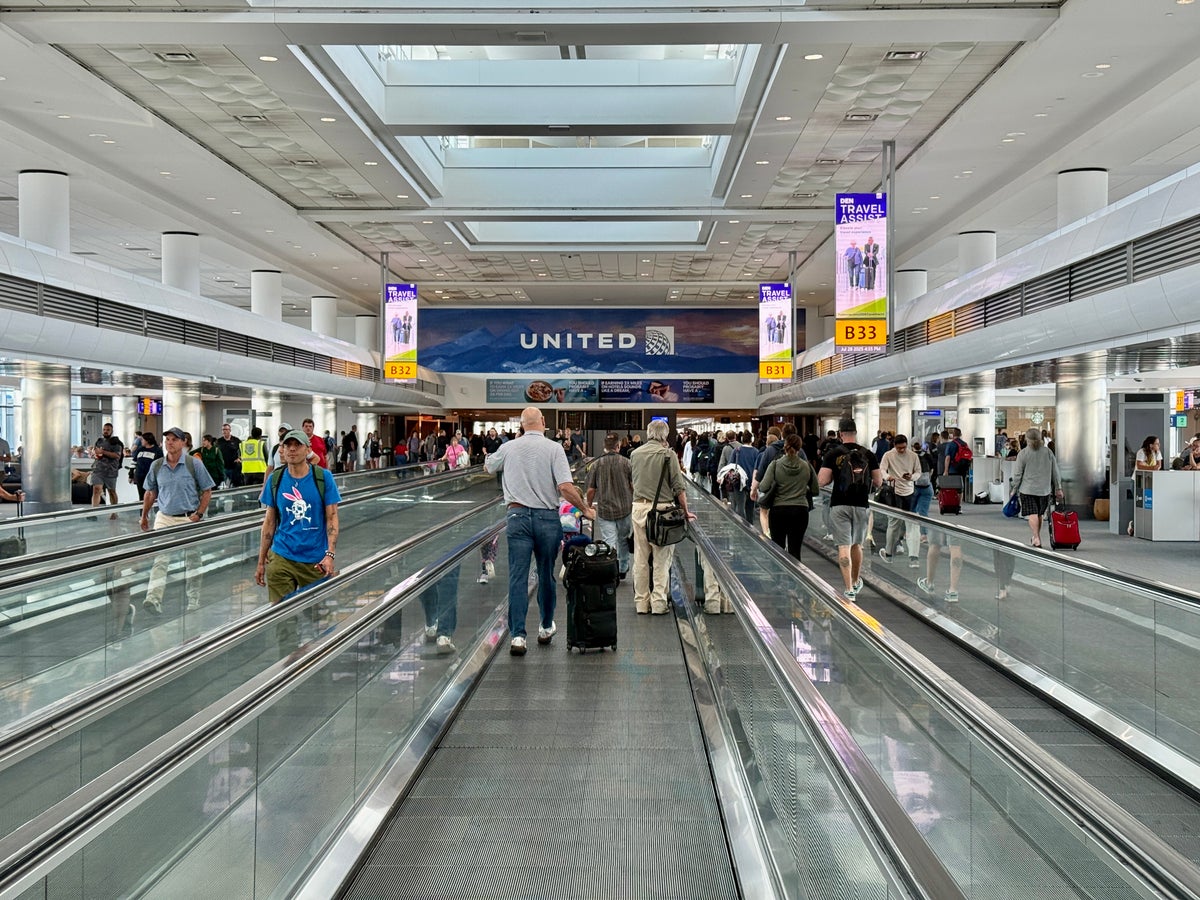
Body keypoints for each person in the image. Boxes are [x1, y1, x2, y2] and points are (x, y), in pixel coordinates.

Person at [485, 407, 593, 655]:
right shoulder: (554, 449)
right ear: (543, 422)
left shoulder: (509, 447)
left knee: (518, 577)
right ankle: (545, 626)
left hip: (517, 516)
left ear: (522, 425)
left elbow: (488, 467)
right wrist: (585, 510)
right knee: (546, 574)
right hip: (547, 519)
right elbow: (565, 487)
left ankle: (518, 637)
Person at [254, 429, 342, 648]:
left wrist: (329, 554)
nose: (292, 449)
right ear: (282, 450)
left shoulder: (323, 477)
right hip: (282, 555)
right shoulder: (276, 479)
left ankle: (318, 659)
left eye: (297, 445)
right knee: (283, 618)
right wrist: (261, 560)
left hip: (314, 560)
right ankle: (288, 665)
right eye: (287, 445)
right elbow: (269, 522)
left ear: (308, 450)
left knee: (318, 618)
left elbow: (332, 518)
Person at [139, 427, 215, 614]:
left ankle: (193, 599)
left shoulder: (193, 464)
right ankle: (153, 599)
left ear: (183, 443)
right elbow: (150, 492)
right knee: (161, 559)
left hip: (188, 517)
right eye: (167, 439)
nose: (170, 442)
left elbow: (207, 490)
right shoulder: (157, 465)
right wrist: (144, 515)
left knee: (193, 560)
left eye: (174, 439)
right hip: (164, 517)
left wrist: (198, 514)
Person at [629, 418, 694, 615]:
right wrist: (685, 511)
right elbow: (678, 486)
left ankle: (641, 603)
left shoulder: (635, 454)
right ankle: (658, 603)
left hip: (639, 508)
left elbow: (635, 481)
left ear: (649, 433)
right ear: (665, 435)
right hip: (663, 513)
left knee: (640, 558)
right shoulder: (668, 455)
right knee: (661, 559)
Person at [818, 418, 882, 601]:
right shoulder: (868, 454)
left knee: (843, 546)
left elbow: (822, 480)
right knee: (857, 545)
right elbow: (878, 482)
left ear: (840, 434)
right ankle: (855, 581)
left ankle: (848, 590)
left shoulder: (833, 454)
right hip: (861, 504)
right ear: (856, 433)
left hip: (839, 504)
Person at [757, 433, 817, 560]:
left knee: (778, 550)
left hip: (779, 511)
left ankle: (779, 577)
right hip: (800, 511)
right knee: (795, 550)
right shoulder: (806, 466)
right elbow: (815, 490)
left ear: (784, 447)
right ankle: (797, 578)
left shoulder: (775, 464)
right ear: (799, 448)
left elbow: (763, 487)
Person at [585, 432, 634, 580]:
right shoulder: (627, 463)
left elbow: (591, 489)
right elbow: (633, 486)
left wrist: (587, 506)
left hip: (605, 509)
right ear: (618, 446)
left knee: (609, 540)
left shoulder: (596, 464)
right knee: (623, 538)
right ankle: (623, 567)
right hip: (624, 508)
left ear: (604, 447)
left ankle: (610, 568)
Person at [1011, 426, 1063, 549]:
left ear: (1027, 439)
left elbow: (1018, 474)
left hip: (1027, 489)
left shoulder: (1023, 453)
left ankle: (1036, 537)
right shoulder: (1048, 452)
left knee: (1032, 513)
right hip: (1044, 489)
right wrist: (1058, 487)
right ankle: (1036, 537)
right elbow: (1055, 471)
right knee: (1039, 514)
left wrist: (1014, 488)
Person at [878, 434, 922, 568]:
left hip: (909, 490)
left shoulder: (913, 456)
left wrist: (912, 477)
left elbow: (918, 472)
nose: (901, 450)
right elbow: (882, 469)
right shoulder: (888, 455)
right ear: (894, 446)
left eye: (903, 447)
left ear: (907, 445)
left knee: (911, 523)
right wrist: (888, 477)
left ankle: (913, 557)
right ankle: (889, 553)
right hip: (894, 490)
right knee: (894, 522)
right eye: (899, 448)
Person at [89, 422, 124, 509]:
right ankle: (94, 512)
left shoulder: (116, 443)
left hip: (110, 471)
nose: (105, 431)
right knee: (96, 490)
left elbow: (117, 456)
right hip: (98, 470)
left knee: (111, 491)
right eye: (104, 430)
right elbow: (96, 452)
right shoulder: (99, 441)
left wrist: (103, 452)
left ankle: (114, 511)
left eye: (108, 430)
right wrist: (94, 454)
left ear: (112, 431)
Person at [131, 431, 163, 501]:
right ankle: (142, 511)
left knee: (150, 496)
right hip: (139, 476)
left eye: (143, 439)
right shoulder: (140, 449)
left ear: (147, 440)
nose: (141, 441)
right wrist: (131, 474)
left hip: (151, 477)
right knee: (141, 497)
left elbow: (160, 465)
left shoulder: (157, 451)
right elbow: (134, 462)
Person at [215, 423, 242, 488]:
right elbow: (215, 452)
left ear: (230, 430)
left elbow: (242, 451)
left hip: (234, 467)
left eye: (226, 429)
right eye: (223, 429)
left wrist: (239, 458)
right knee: (223, 486)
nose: (225, 431)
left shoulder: (236, 440)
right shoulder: (219, 441)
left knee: (234, 485)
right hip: (223, 467)